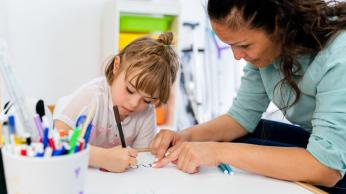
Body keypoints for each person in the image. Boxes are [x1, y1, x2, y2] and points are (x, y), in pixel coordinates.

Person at [150, 0, 346, 193]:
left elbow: (326, 169)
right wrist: (186, 136)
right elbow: (241, 118)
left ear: (279, 23)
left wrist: (218, 152)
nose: (237, 56)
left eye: (244, 45)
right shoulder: (269, 50)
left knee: (232, 149)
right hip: (326, 145)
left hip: (333, 165)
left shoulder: (339, 53)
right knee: (247, 135)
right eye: (230, 45)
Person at [54, 32, 179, 173]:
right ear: (116, 66)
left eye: (147, 100)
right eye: (130, 90)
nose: (134, 104)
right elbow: (57, 141)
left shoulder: (146, 114)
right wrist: (102, 158)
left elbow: (143, 160)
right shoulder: (92, 97)